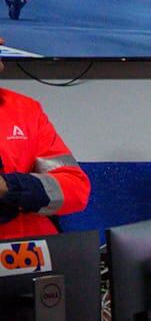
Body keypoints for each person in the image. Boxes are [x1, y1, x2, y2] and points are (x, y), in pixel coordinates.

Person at [0, 58, 89, 241]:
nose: (1, 41)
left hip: (35, 256)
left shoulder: (25, 110)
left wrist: (10, 187)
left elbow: (76, 189)